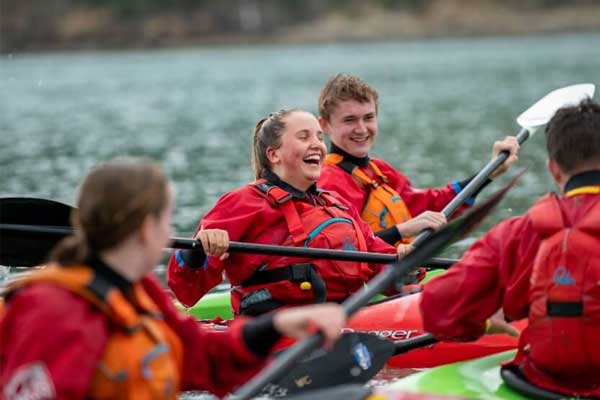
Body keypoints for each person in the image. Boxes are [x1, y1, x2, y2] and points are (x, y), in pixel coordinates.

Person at [0, 158, 346, 399]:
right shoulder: (52, 310)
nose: (170, 231)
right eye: (166, 219)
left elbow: (201, 358)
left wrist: (278, 325)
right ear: (146, 229)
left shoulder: (141, 293)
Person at [420, 99, 600, 398]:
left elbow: (438, 309)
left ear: (553, 170)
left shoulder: (519, 233)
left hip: (544, 385)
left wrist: (486, 323)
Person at [168, 109, 412, 316]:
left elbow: (378, 258)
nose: (317, 144)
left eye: (318, 136)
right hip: (278, 331)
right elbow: (185, 289)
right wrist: (198, 251)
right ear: (274, 154)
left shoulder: (336, 203)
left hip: (347, 319)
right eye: (303, 137)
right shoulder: (243, 202)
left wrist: (405, 261)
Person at [317, 74, 520, 245]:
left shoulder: (379, 170)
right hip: (368, 286)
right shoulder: (327, 181)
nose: (362, 129)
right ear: (325, 125)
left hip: (401, 278)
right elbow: (344, 247)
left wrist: (489, 172)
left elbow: (430, 205)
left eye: (368, 118)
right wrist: (402, 231)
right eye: (350, 120)